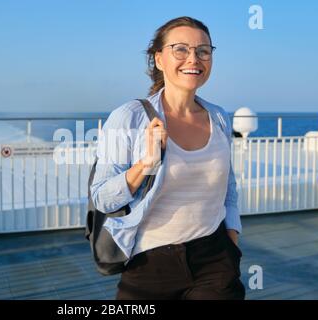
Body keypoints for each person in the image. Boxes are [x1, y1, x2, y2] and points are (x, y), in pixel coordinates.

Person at [90, 16, 245, 300]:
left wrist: (232, 240)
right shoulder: (129, 117)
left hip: (215, 259)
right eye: (181, 49)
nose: (193, 59)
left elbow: (229, 188)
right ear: (159, 59)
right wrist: (144, 165)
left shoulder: (219, 116)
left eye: (203, 51)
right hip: (151, 263)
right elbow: (102, 198)